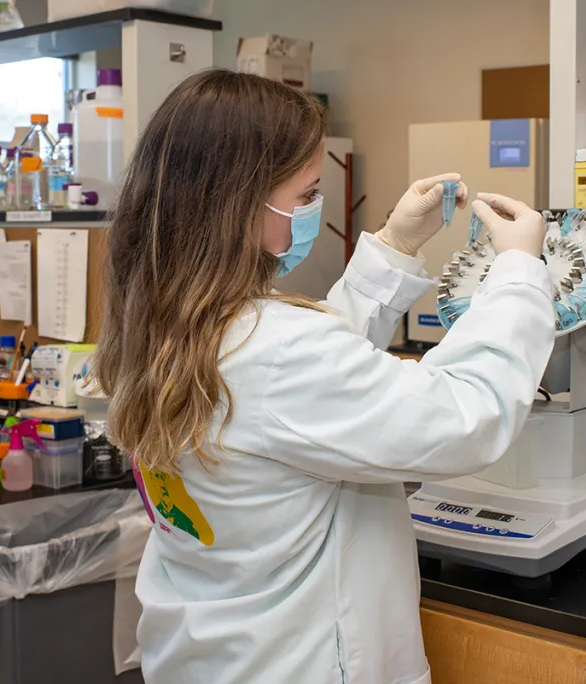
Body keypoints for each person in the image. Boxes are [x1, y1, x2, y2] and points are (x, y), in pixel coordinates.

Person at [95, 69, 555, 684]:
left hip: (207, 655)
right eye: (308, 193)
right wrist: (521, 272)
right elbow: (470, 416)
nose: (318, 206)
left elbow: (302, 395)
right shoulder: (275, 351)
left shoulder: (156, 320)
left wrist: (393, 245)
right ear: (239, 204)